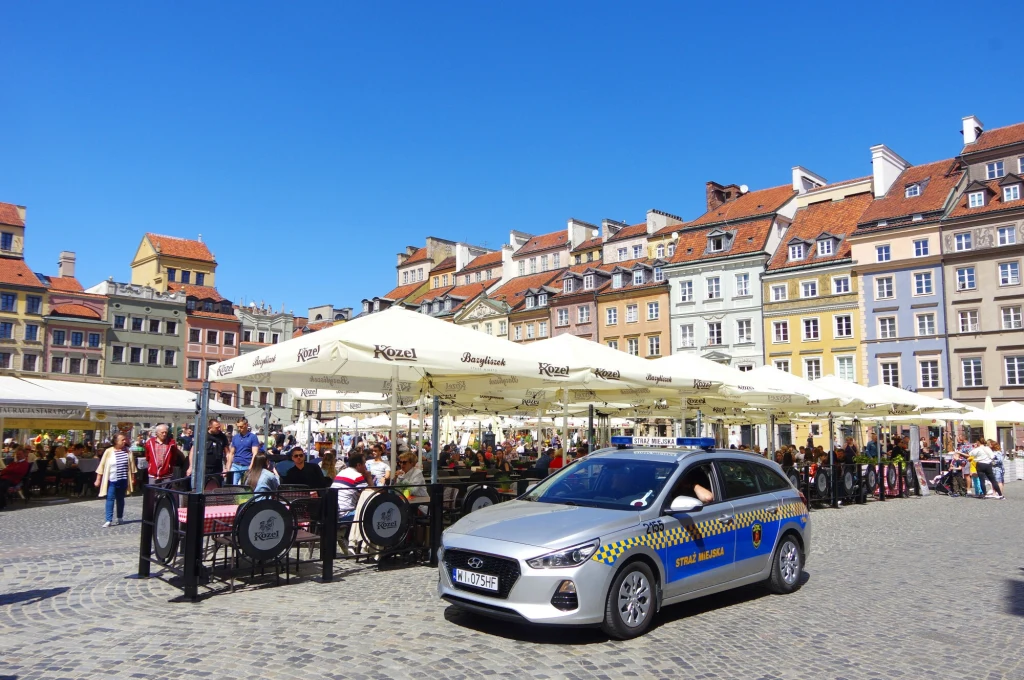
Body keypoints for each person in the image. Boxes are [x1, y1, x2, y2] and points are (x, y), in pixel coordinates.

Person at [95, 434, 137, 527]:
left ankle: (120, 517)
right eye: (122, 440)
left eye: (124, 439)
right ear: (116, 441)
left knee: (120, 499)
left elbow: (132, 465)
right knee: (110, 498)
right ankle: (108, 520)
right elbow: (101, 465)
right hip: (112, 479)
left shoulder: (128, 451)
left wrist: (133, 478)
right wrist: (98, 479)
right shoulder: (108, 451)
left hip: (123, 479)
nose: (124, 441)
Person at [333, 452, 372, 522]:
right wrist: (369, 478)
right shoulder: (357, 476)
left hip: (334, 513)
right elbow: (371, 494)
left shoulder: (341, 473)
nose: (365, 467)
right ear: (359, 465)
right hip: (345, 514)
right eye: (364, 464)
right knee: (372, 514)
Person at [226, 418, 261, 485]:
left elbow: (255, 453)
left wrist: (251, 466)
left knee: (246, 487)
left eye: (241, 426)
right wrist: (228, 467)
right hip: (236, 465)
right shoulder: (235, 437)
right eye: (238, 426)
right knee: (232, 485)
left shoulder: (252, 437)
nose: (239, 428)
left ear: (246, 425)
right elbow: (231, 453)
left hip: (247, 465)